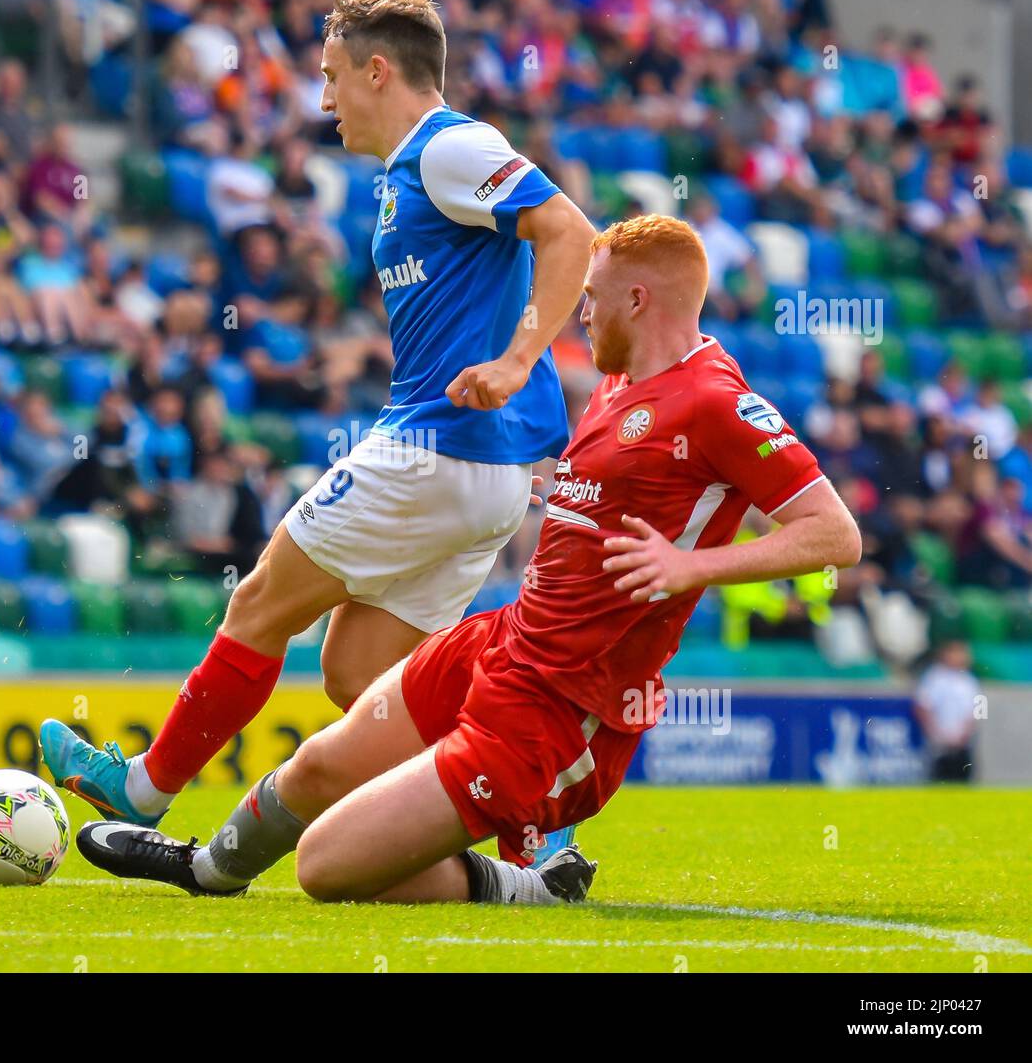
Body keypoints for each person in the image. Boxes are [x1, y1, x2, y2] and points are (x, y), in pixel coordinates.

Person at [75, 214, 862, 906]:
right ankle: (206, 870)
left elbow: (835, 534)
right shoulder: (620, 384)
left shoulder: (716, 400)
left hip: (563, 706)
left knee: (325, 865)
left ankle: (532, 885)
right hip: (502, 642)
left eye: (592, 294)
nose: (579, 308)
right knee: (316, 767)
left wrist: (691, 570)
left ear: (638, 300)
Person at [41, 0, 595, 860]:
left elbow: (569, 232)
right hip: (479, 472)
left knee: (261, 600)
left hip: (439, 450)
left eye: (333, 77)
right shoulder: (410, 170)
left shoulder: (450, 147)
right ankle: (536, 832)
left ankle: (143, 786)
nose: (324, 99)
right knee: (361, 677)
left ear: (380, 70)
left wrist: (521, 359)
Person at [913, 640, 980, 783]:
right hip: (940, 742)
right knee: (940, 780)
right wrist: (936, 732)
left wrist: (965, 733)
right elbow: (922, 706)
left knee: (963, 780)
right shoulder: (934, 678)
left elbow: (978, 711)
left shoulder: (970, 680)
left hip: (963, 742)